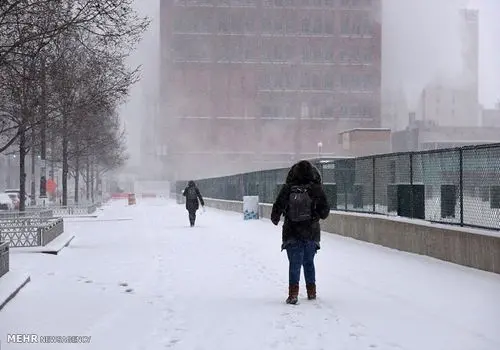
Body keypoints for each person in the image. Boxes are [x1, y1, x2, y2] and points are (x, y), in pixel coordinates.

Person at [271, 160, 330, 304]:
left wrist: (277, 217)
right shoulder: (316, 189)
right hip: (311, 231)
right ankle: (311, 291)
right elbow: (325, 212)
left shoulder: (288, 188)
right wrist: (314, 214)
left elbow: (276, 209)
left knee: (294, 263)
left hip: (292, 231)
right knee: (309, 262)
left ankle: (293, 294)